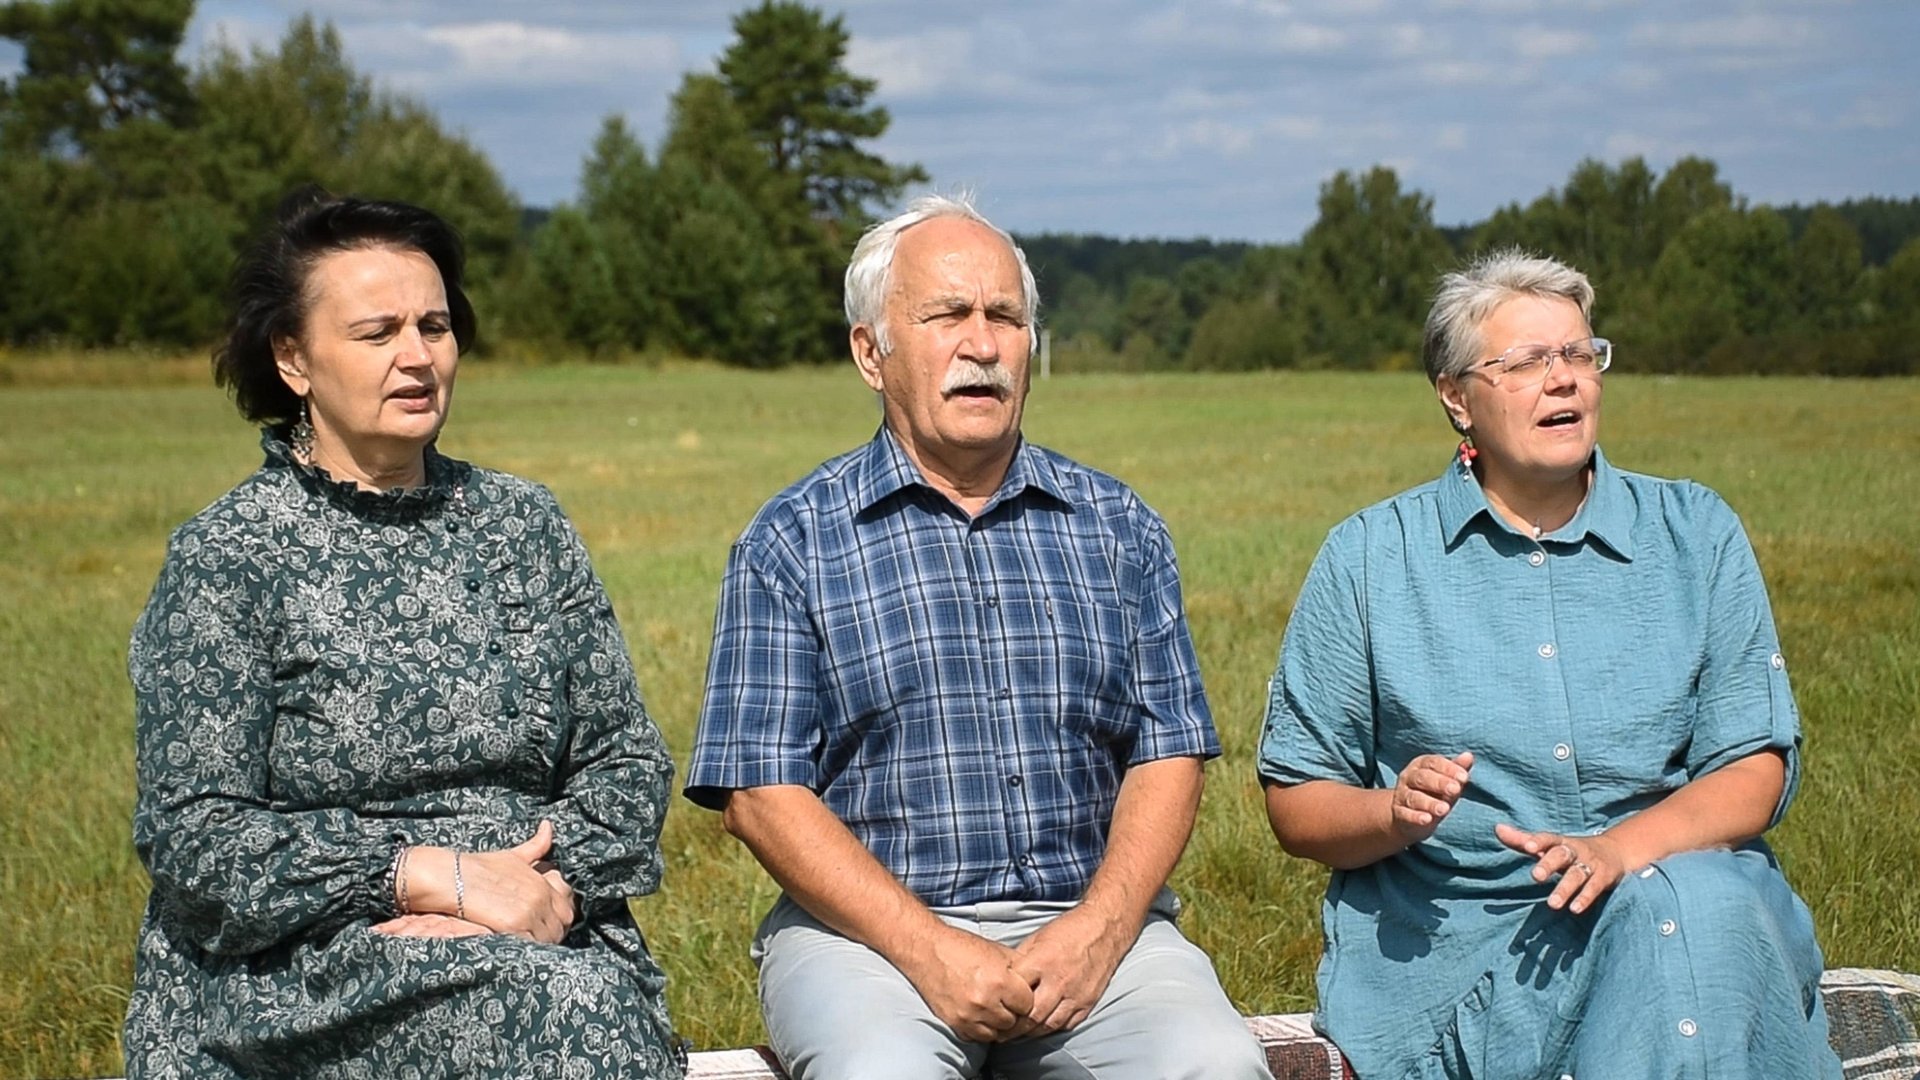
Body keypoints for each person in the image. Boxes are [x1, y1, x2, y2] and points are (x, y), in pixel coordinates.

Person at [684, 194, 1271, 1080]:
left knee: (1214, 1064)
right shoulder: (790, 541)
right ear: (869, 353)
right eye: (946, 315)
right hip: (866, 941)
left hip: (1090, 929)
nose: (983, 343)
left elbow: (1168, 754)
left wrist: (1100, 932)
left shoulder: (1120, 528)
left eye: (1006, 316)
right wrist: (928, 949)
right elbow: (759, 794)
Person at [123, 189, 684, 1079]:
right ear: (293, 359)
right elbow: (197, 838)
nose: (418, 357)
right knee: (574, 1023)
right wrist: (425, 877)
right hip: (310, 976)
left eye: (435, 325)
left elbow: (626, 765)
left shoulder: (522, 525)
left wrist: (537, 891)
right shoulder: (230, 557)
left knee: (575, 1011)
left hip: (541, 935)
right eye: (377, 332)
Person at [1257, 249, 1842, 1079]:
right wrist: (1393, 812)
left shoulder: (1695, 532)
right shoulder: (1368, 558)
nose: (1563, 379)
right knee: (1691, 928)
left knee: (1689, 908)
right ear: (1456, 396)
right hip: (1467, 952)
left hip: (1680, 904)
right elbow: (1296, 801)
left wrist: (1619, 851)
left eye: (1577, 353)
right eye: (1526, 361)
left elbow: (1753, 766)